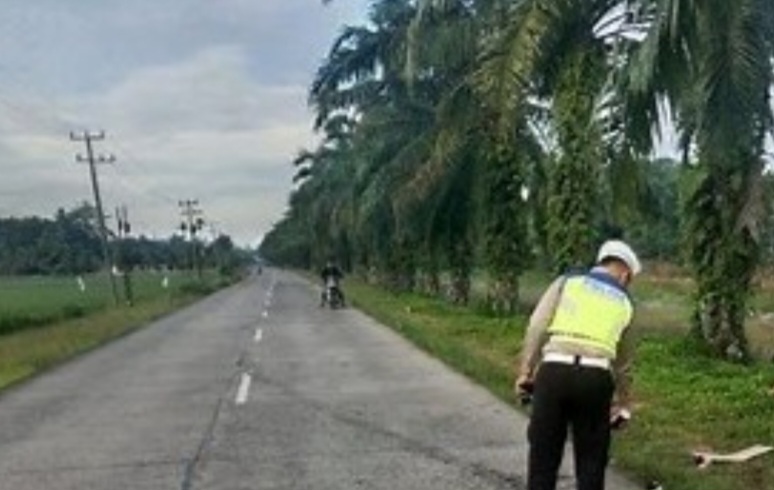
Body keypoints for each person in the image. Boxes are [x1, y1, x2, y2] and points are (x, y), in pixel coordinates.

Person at [515, 239, 642, 490]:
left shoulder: (567, 282)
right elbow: (623, 363)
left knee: (543, 456)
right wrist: (623, 403)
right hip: (595, 379)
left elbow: (537, 326)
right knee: (591, 460)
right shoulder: (625, 302)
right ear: (625, 274)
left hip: (554, 373)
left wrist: (525, 372)